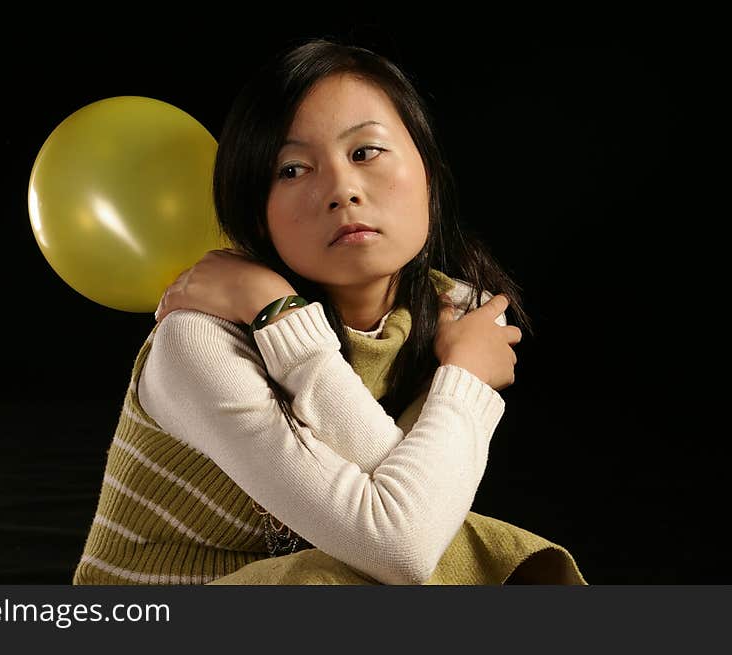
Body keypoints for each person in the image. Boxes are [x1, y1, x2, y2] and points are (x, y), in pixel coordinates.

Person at [72, 37, 587, 585]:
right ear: (255, 210)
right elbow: (401, 545)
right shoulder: (198, 342)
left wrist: (456, 370)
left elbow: (414, 511)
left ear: (428, 173)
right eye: (293, 170)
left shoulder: (459, 317)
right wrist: (280, 314)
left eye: (365, 152)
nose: (342, 190)